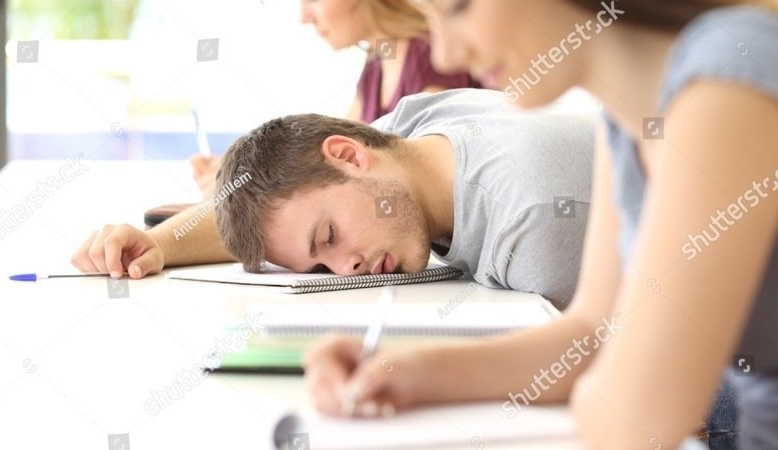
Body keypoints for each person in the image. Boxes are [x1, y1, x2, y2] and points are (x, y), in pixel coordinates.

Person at [303, 1, 778, 449]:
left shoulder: (725, 84)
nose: (445, 54)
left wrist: (607, 390)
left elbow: (637, 420)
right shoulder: (625, 117)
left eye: (459, 7)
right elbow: (590, 333)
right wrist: (406, 371)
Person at [71, 89, 594, 309]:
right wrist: (159, 244)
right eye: (322, 264)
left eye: (330, 238)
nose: (347, 270)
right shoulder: (414, 131)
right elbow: (279, 213)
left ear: (347, 155)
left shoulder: (531, 228)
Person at [189, 0, 480, 197]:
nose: (304, 17)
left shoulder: (433, 55)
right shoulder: (375, 69)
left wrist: (251, 184)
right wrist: (241, 171)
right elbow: (325, 151)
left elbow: (410, 177)